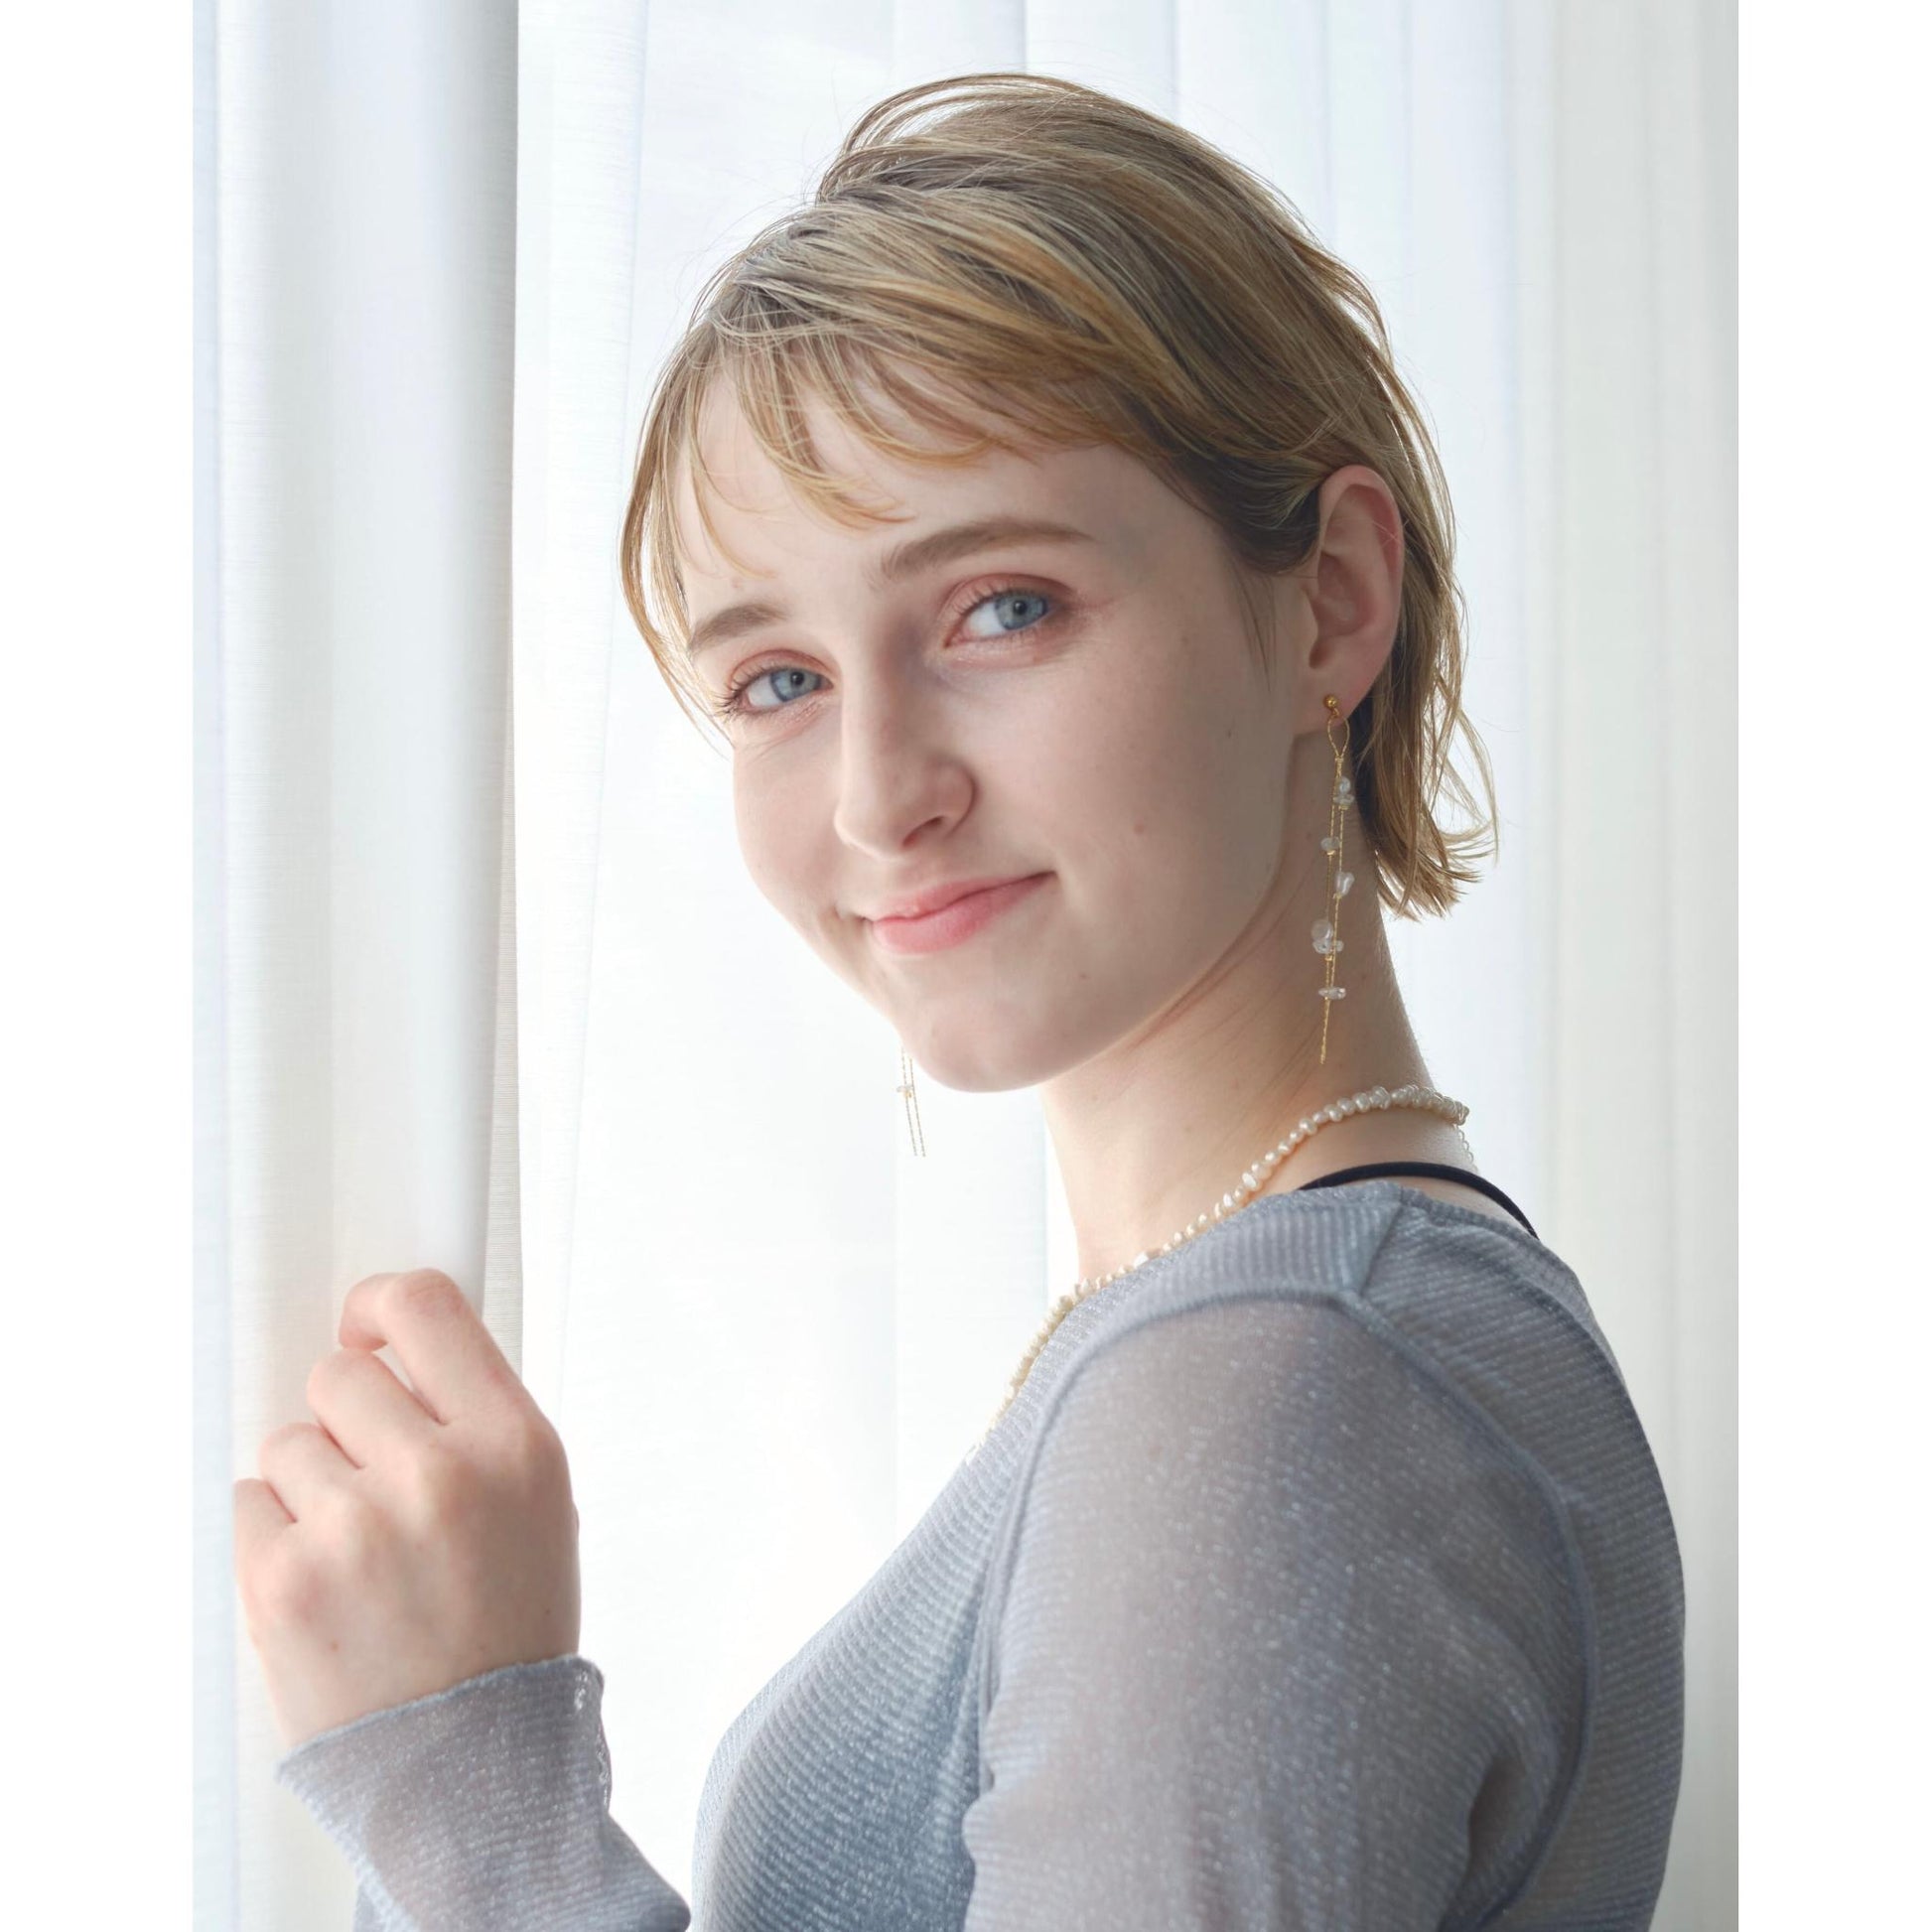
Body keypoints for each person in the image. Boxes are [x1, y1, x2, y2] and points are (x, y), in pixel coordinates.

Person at [246, 70, 1686, 1929]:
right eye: (776, 680)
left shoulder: (1282, 1383)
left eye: (1001, 607)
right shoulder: (1328, 1320)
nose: (877, 796)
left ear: (1328, 602)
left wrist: (472, 1791)